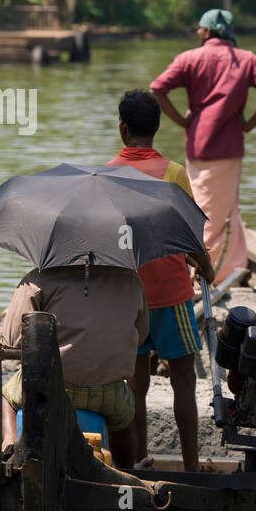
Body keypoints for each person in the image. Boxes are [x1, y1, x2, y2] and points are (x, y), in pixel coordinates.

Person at [107, 89, 213, 472]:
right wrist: (206, 266)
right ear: (157, 127)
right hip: (171, 296)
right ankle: (190, 467)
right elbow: (189, 235)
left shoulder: (108, 175)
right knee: (183, 381)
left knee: (135, 383)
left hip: (128, 300)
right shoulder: (173, 174)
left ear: (123, 128)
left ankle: (137, 460)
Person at [149, 8, 256, 284]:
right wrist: (250, 124)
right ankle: (214, 270)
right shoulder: (247, 59)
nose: (197, 32)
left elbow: (157, 89)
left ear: (208, 31)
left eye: (199, 28)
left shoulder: (189, 58)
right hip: (230, 145)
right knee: (220, 208)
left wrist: (182, 121)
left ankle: (213, 269)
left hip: (198, 142)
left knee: (205, 205)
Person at [0, 264, 149, 469]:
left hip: (49, 388)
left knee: (7, 397)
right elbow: (142, 333)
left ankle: (9, 443)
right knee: (124, 417)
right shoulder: (131, 280)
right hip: (107, 394)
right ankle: (127, 470)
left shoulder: (38, 279)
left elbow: (13, 340)